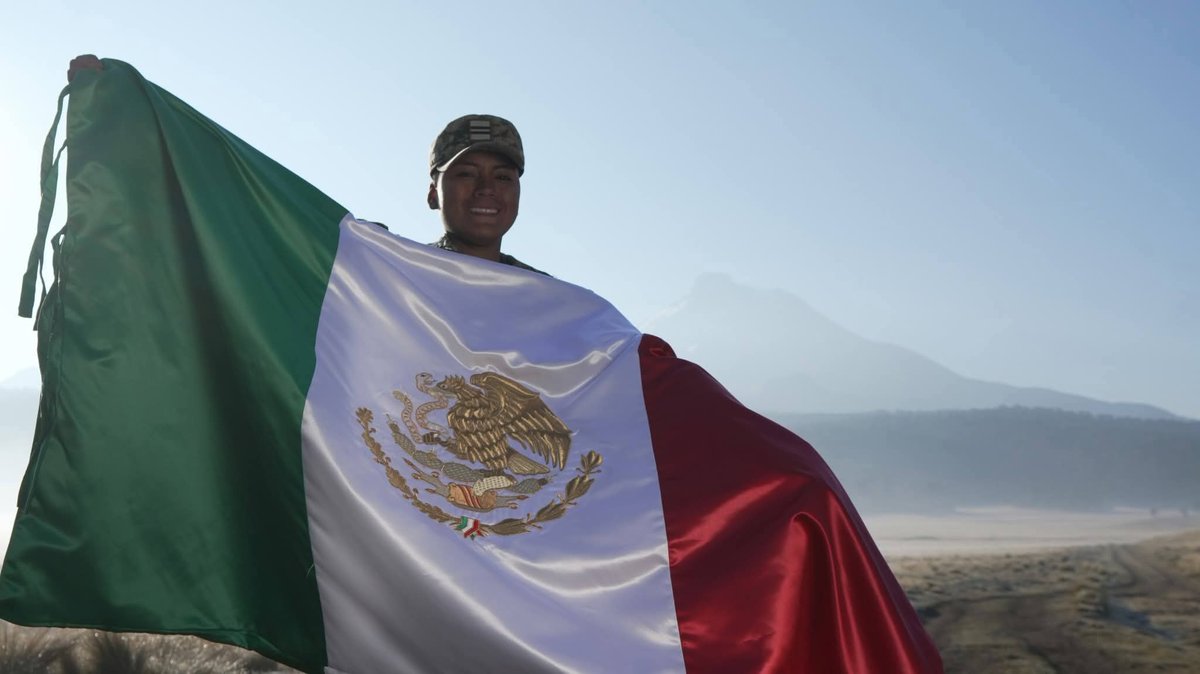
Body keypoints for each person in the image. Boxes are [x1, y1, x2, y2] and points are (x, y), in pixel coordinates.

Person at [425, 114, 546, 275]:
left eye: (502, 177)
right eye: (467, 174)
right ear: (433, 195)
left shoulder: (543, 288)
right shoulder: (404, 274)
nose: (487, 188)